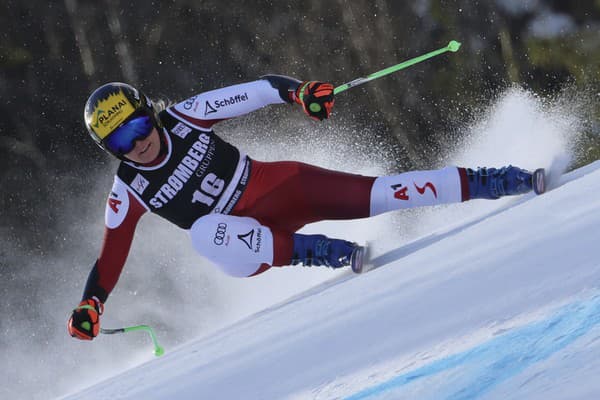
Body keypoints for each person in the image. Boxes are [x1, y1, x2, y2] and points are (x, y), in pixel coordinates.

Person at [68, 75, 539, 340]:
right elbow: (111, 255)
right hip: (248, 245)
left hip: (280, 188)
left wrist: (301, 94)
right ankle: (319, 251)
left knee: (386, 192)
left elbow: (258, 90)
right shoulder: (128, 189)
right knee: (203, 232)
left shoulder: (186, 116)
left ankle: (496, 181)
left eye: (141, 126)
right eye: (122, 141)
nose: (140, 143)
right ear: (111, 150)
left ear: (152, 112)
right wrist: (92, 303)